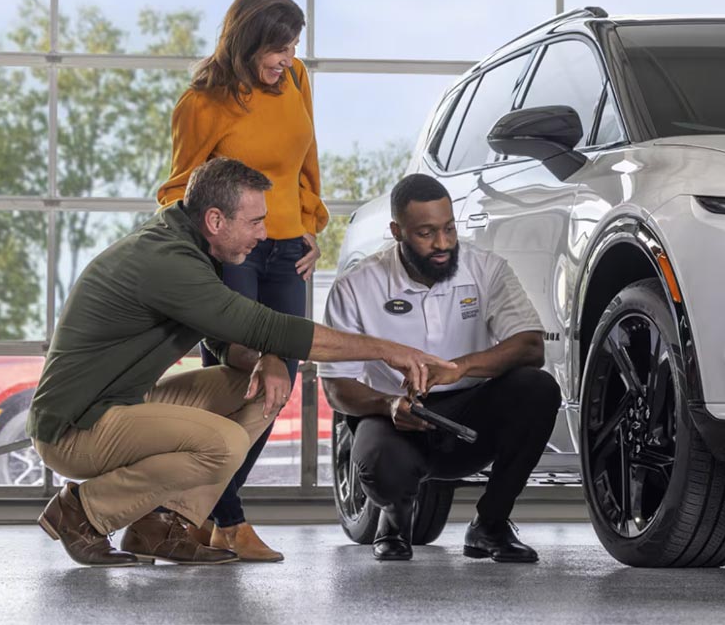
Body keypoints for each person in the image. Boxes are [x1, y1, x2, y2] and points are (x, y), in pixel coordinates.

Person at [29, 158, 452, 568]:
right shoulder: (169, 262)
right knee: (225, 443)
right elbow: (267, 325)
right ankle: (83, 511)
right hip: (74, 428)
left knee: (259, 391)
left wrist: (267, 358)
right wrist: (388, 350)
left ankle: (160, 525)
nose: (263, 235)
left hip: (123, 404)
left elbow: (223, 339)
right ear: (215, 220)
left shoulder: (189, 248)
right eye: (255, 223)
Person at [155, 0, 326, 562]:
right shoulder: (202, 102)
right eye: (278, 47)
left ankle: (203, 516)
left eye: (294, 44)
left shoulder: (296, 79)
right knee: (239, 378)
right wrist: (209, 251)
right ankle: (226, 519)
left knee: (280, 382)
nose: (288, 57)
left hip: (288, 252)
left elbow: (306, 161)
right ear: (248, 41)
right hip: (234, 254)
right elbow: (178, 190)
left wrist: (309, 222)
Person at [321, 174, 560, 563]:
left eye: (449, 229)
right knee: (381, 464)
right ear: (397, 232)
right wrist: (388, 405)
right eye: (426, 233)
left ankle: (490, 525)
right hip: (397, 417)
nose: (443, 243)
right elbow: (336, 388)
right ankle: (394, 521)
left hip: (470, 415)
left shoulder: (486, 269)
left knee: (539, 388)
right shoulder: (355, 286)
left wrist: (460, 368)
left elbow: (531, 346)